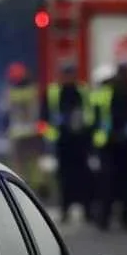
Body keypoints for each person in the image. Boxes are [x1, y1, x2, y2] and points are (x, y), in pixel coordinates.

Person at [41, 62, 92, 224]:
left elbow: (90, 115)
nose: (69, 77)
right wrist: (52, 135)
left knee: (82, 177)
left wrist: (85, 131)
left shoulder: (82, 91)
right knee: (64, 178)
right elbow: (43, 120)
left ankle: (87, 210)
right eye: (66, 74)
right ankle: (65, 209)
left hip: (80, 142)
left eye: (71, 74)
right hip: (62, 142)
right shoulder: (53, 93)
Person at [93, 63, 127, 231]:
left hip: (118, 146)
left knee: (113, 184)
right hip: (116, 145)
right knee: (119, 184)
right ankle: (118, 218)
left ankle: (110, 218)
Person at [0, 62, 43, 192]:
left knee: (18, 166)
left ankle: (19, 189)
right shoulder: (33, 90)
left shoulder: (9, 92)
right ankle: (37, 189)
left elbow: (4, 111)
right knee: (34, 164)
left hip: (16, 133)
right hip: (33, 131)